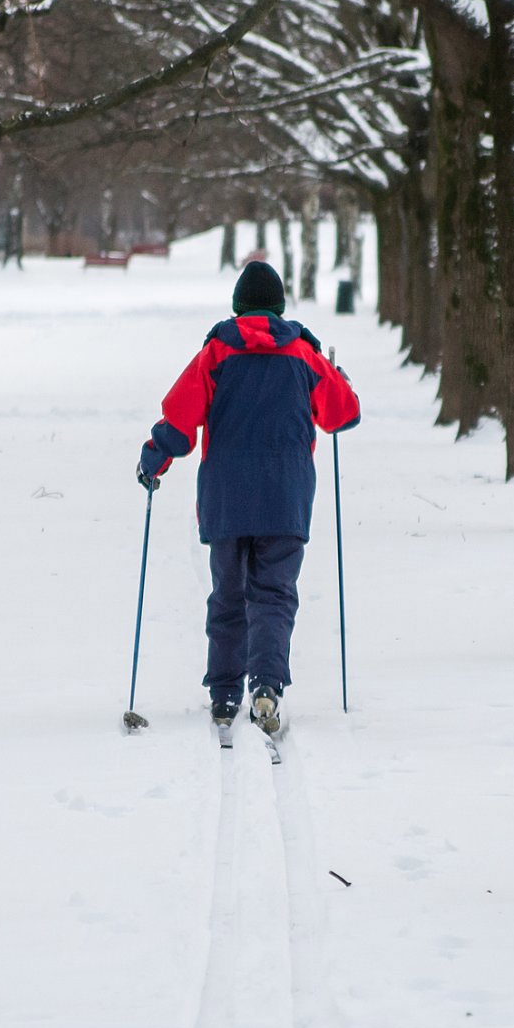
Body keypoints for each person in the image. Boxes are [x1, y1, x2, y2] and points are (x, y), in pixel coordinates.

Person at [136, 260, 360, 734]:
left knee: (228, 597)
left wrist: (154, 459)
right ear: (279, 307)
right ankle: (266, 685)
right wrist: (339, 376)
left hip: (226, 498)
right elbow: (344, 414)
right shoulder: (304, 356)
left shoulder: (216, 354)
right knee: (274, 594)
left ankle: (223, 694)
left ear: (237, 307)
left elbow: (180, 420)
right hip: (285, 498)